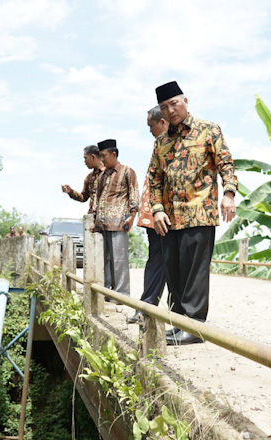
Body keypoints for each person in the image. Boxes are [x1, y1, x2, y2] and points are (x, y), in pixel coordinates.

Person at [148, 81, 238, 345]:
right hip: (170, 218)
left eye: (174, 103)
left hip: (200, 212)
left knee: (194, 271)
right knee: (174, 271)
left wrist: (229, 194)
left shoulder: (208, 130)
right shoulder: (161, 142)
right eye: (164, 107)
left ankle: (195, 326)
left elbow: (226, 163)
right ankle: (179, 323)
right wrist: (156, 210)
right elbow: (153, 179)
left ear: (185, 101)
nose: (170, 110)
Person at [127, 106, 170, 324]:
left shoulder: (179, 141)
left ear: (162, 122)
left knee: (170, 264)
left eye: (151, 126)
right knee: (157, 260)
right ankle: (147, 307)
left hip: (174, 214)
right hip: (157, 214)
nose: (150, 131)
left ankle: (173, 315)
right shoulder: (159, 145)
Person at [94, 139, 139, 298]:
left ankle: (121, 296)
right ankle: (107, 294)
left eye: (104, 156)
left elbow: (134, 195)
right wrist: (94, 221)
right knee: (104, 261)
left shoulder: (127, 171)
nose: (102, 159)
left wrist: (132, 217)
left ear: (114, 154)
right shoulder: (102, 176)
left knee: (119, 260)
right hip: (102, 224)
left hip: (119, 222)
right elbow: (97, 199)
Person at [61, 145, 104, 216]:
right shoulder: (89, 178)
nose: (85, 162)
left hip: (109, 219)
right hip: (92, 219)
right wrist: (70, 192)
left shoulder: (111, 174)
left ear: (93, 157)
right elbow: (83, 197)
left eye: (86, 158)